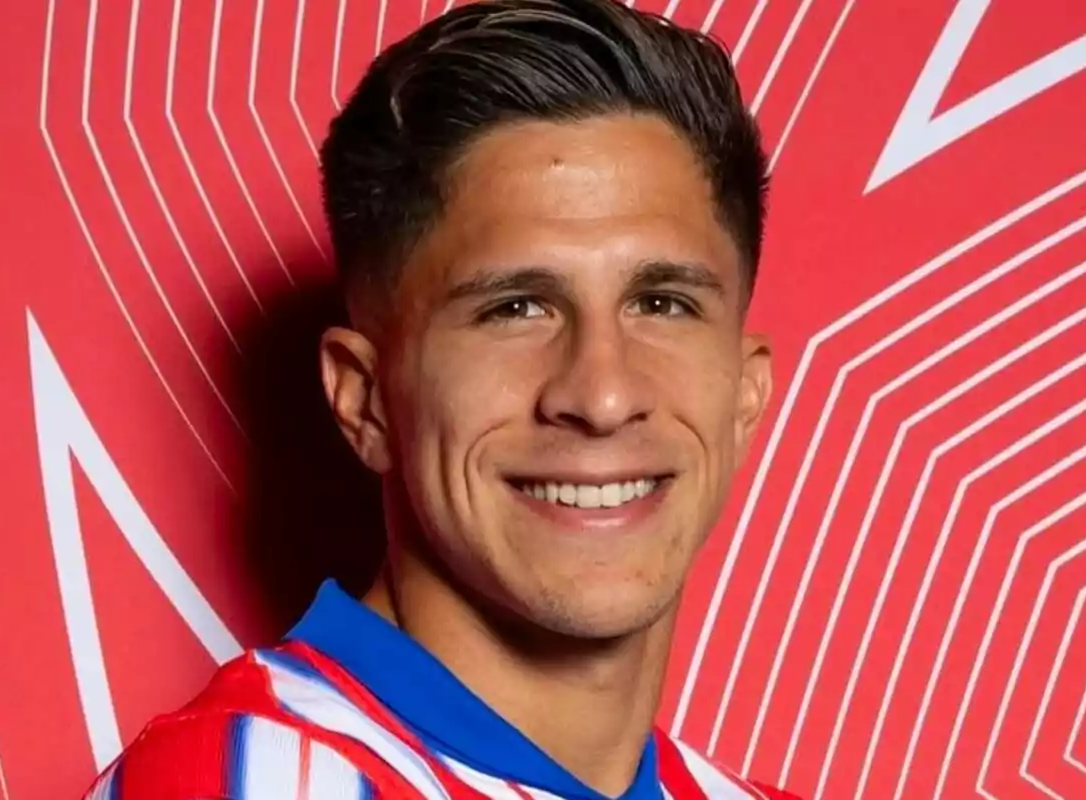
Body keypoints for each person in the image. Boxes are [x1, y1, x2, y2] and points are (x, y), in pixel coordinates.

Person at [84, 0, 795, 797]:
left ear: (746, 389)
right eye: (514, 308)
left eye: (662, 303)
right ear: (364, 399)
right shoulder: (250, 783)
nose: (602, 394)